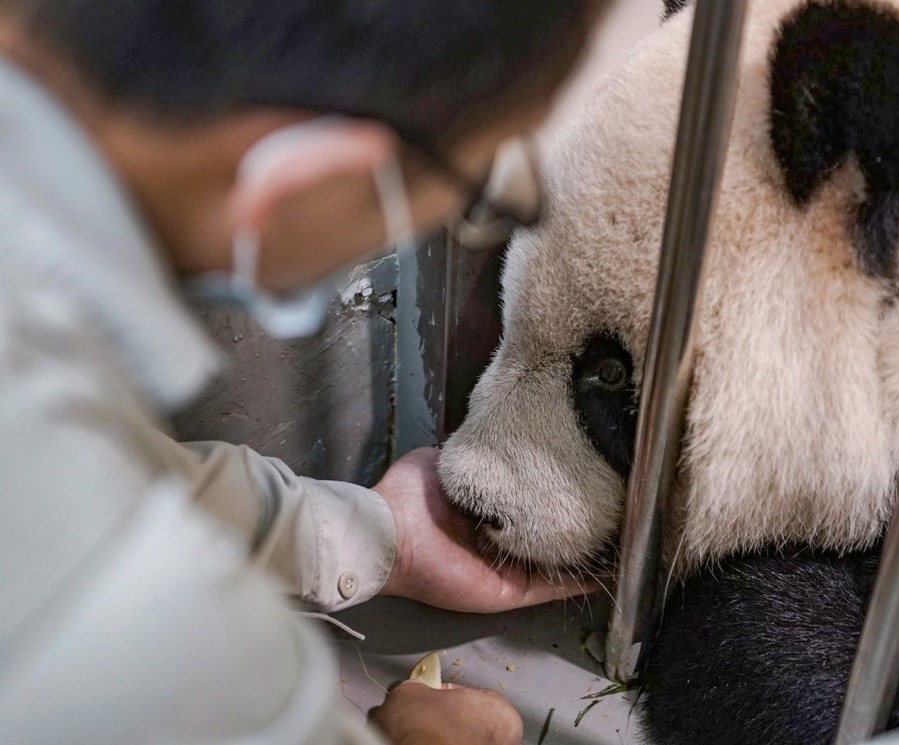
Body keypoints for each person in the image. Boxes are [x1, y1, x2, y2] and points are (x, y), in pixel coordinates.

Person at [0, 2, 606, 744]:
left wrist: (370, 538)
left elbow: (121, 469)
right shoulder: (122, 597)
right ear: (304, 177)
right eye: (477, 183)